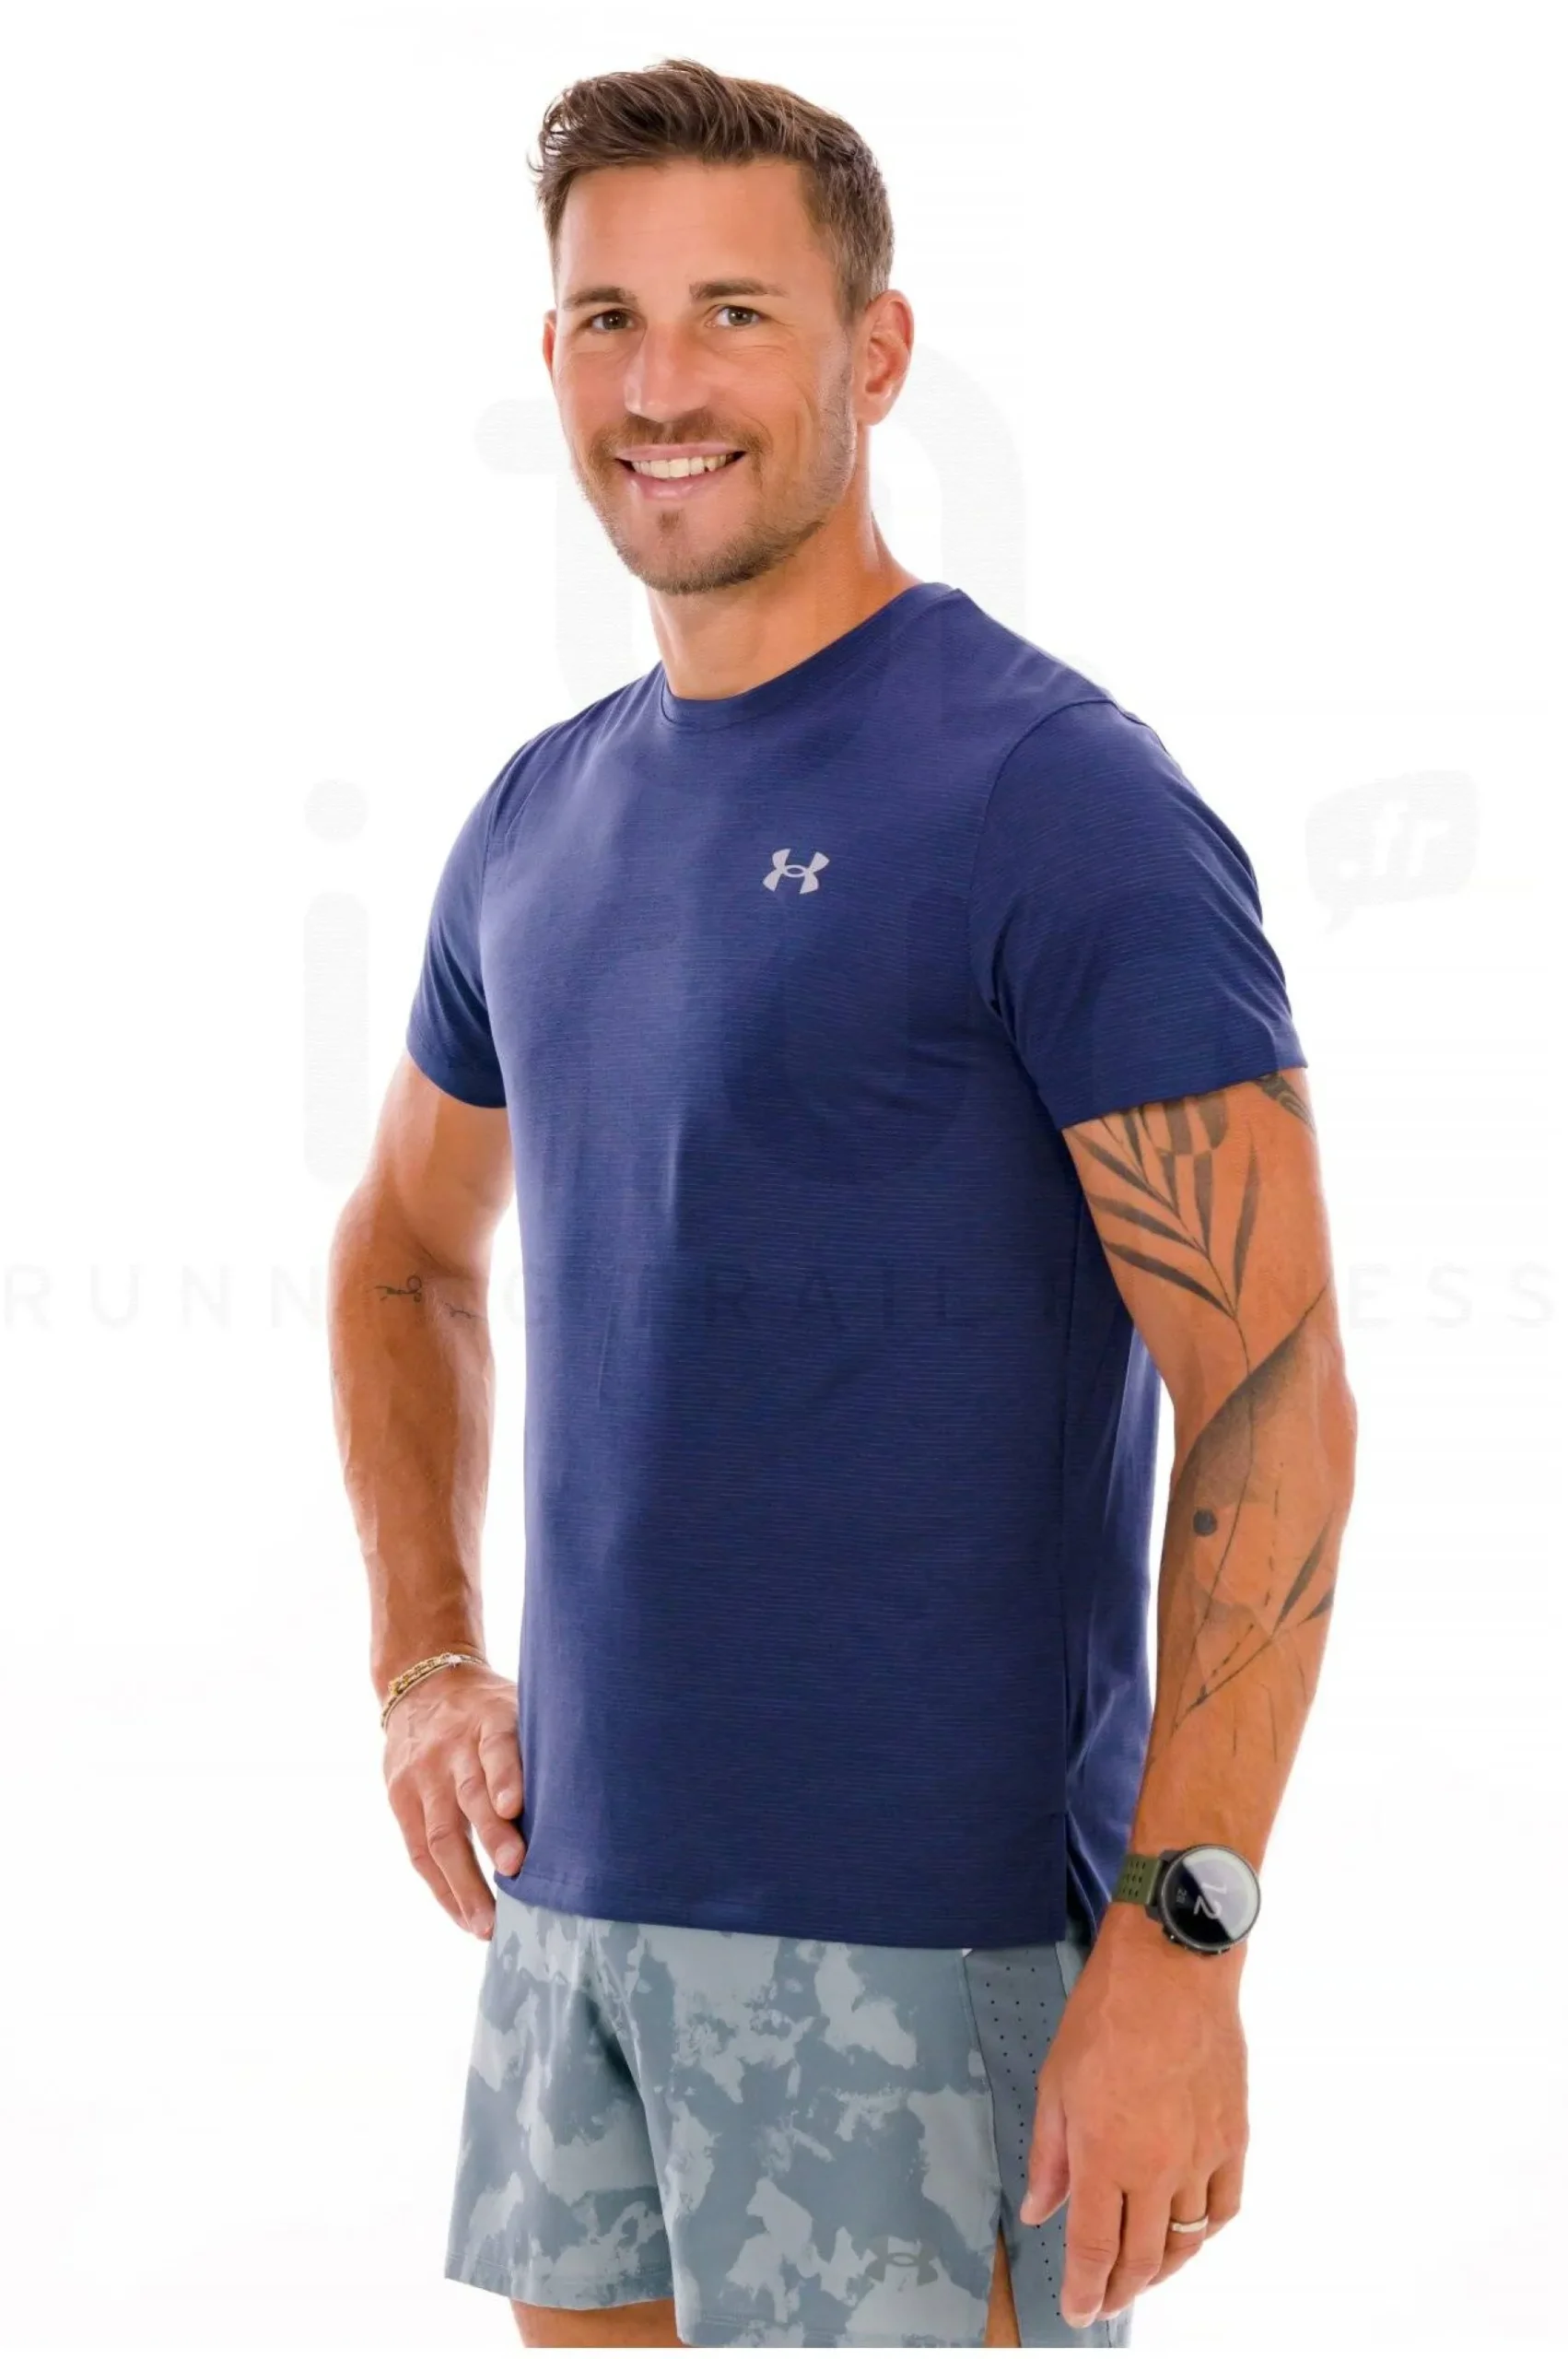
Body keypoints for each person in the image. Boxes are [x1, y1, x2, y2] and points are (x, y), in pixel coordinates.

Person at [327, 55, 1357, 2352]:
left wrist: (1181, 1939)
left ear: (873, 354)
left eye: (734, 313)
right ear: (549, 355)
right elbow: (400, 1250)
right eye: (608, 320)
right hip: (578, 1919)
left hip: (927, 1955)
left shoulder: (1050, 795)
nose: (660, 387)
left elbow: (1270, 1381)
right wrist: (422, 1656)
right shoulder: (538, 819)